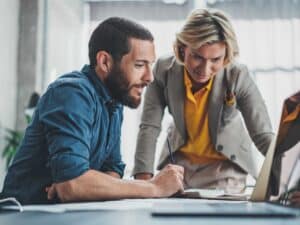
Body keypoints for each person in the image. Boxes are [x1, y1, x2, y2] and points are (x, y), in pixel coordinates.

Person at [1, 17, 184, 205]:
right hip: (23, 214)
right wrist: (154, 187)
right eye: (139, 65)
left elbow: (111, 169)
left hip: (64, 214)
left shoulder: (114, 101)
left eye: (150, 65)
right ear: (105, 62)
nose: (150, 77)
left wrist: (82, 184)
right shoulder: (71, 94)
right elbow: (72, 185)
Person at [133, 8, 274, 193]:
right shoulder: (164, 70)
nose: (205, 69)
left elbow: (263, 135)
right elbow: (149, 127)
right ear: (183, 49)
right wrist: (144, 183)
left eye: (215, 59)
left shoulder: (237, 75)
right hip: (178, 165)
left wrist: (292, 178)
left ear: (226, 55)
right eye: (197, 57)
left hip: (224, 168)